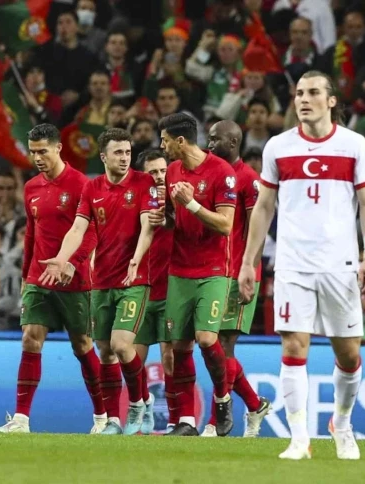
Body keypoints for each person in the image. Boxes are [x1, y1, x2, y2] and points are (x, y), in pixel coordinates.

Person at [238, 70, 365, 460]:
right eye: (299, 93)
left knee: (349, 354)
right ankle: (299, 438)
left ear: (331, 100)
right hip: (293, 262)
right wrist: (249, 261)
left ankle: (342, 424)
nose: (304, 99)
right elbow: (263, 207)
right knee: (293, 346)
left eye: (313, 92)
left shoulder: (353, 145)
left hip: (340, 263)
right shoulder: (277, 147)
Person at [40, 128, 158, 435]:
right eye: (118, 152)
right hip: (102, 279)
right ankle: (114, 419)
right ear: (103, 156)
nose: (124, 158)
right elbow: (78, 229)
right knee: (105, 351)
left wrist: (137, 257)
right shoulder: (92, 188)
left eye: (128, 152)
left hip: (134, 278)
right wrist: (62, 258)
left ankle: (137, 403)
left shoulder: (143, 183)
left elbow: (147, 225)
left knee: (122, 345)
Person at [0, 124, 105, 434]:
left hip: (74, 280)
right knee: (30, 337)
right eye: (33, 152)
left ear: (58, 149)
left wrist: (73, 263)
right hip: (39, 278)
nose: (38, 157)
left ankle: (102, 417)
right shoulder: (31, 187)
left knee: (82, 345)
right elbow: (31, 234)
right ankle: (21, 419)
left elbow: (92, 232)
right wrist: (26, 274)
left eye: (43, 151)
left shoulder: (82, 185)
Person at [150, 112, 236, 437]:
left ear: (181, 140)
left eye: (165, 141)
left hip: (212, 270)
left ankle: (223, 398)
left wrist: (192, 204)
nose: (162, 146)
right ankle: (186, 420)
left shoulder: (222, 172)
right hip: (179, 269)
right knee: (179, 346)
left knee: (206, 339)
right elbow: (175, 217)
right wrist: (164, 218)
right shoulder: (173, 171)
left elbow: (226, 225)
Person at [201, 120, 272, 438]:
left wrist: (251, 272)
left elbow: (259, 230)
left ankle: (215, 421)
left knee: (224, 346)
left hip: (238, 275)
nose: (209, 144)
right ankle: (255, 405)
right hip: (212, 272)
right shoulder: (212, 175)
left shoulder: (249, 179)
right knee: (212, 347)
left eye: (215, 139)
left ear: (232, 142)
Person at [133, 149, 176, 434]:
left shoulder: (180, 201)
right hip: (138, 290)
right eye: (153, 172)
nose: (159, 177)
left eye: (163, 171)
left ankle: (174, 418)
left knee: (170, 357)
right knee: (132, 359)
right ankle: (143, 403)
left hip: (170, 291)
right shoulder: (133, 202)